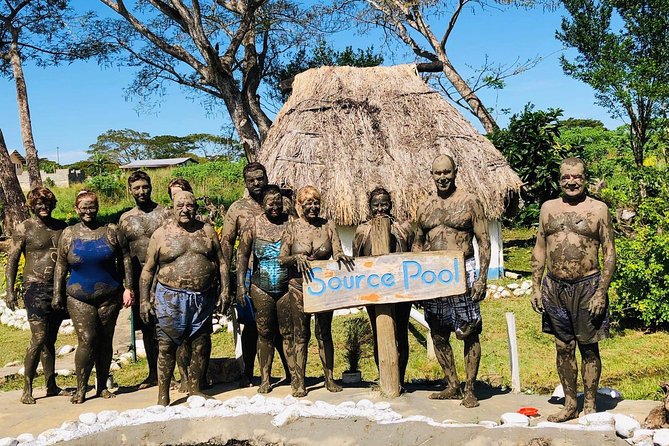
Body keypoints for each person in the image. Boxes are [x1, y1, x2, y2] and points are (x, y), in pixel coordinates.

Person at [531, 157, 616, 422]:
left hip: (587, 286)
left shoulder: (599, 209)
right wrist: (535, 286)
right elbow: (541, 247)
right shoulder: (548, 208)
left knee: (588, 348)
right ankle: (570, 405)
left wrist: (601, 290)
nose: (572, 182)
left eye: (577, 176)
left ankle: (589, 404)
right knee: (562, 347)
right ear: (559, 180)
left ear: (584, 178)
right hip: (555, 287)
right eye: (566, 177)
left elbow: (609, 252)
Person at [413, 154, 490, 408]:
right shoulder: (424, 207)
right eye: (438, 173)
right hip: (434, 274)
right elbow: (418, 242)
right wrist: (416, 279)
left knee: (468, 330)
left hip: (463, 270)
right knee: (437, 332)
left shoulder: (470, 202)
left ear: (456, 172)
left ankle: (470, 388)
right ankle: (452, 384)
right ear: (432, 175)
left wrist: (481, 278)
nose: (443, 177)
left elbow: (483, 240)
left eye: (447, 172)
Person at [140, 191, 227, 406]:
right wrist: (144, 299)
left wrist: (225, 290)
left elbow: (222, 262)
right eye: (180, 205)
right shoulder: (161, 234)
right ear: (172, 207)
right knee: (167, 346)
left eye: (190, 205)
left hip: (202, 298)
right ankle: (163, 396)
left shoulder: (207, 231)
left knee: (201, 342)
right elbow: (148, 270)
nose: (185, 209)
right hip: (170, 298)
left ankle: (196, 389)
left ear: (196, 208)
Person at [53, 191, 134, 404]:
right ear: (76, 209)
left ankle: (101, 387)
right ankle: (81, 388)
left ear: (97, 207)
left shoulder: (112, 231)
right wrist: (57, 294)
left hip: (110, 295)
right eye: (84, 208)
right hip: (79, 296)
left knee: (106, 341)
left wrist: (129, 287)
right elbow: (61, 265)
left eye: (92, 207)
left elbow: (125, 259)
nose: (88, 212)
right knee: (87, 340)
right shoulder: (69, 234)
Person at [279, 186, 355, 397]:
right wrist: (296, 258)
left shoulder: (328, 225)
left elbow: (338, 251)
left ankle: (329, 378)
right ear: (300, 206)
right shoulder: (292, 228)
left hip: (323, 286)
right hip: (299, 286)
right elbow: (281, 258)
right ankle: (299, 381)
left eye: (316, 203)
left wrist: (341, 257)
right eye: (308, 204)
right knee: (300, 335)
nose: (313, 207)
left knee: (324, 333)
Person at [220, 162, 289, 387]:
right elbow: (228, 244)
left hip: (282, 272)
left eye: (260, 178)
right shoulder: (237, 209)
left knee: (283, 325)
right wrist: (228, 283)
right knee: (252, 326)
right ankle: (249, 375)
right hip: (251, 275)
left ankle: (291, 373)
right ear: (245, 182)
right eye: (251, 180)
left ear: (267, 176)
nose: (257, 183)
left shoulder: (282, 203)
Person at [6, 187, 69, 404]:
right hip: (34, 288)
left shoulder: (62, 227)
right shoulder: (24, 228)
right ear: (32, 206)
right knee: (39, 337)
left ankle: (51, 385)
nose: (44, 207)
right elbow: (12, 260)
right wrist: (9, 291)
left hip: (58, 288)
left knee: (50, 339)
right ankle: (27, 388)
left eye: (47, 203)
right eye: (39, 204)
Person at [352, 187, 413, 386]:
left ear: (391, 205)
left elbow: (414, 258)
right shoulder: (362, 231)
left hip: (401, 290)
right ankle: (385, 378)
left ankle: (400, 379)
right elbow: (356, 262)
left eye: (384, 204)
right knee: (379, 332)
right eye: (375, 205)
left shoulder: (403, 229)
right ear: (369, 207)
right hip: (373, 291)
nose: (380, 209)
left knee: (401, 333)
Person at [236, 185, 292, 393]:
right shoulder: (253, 225)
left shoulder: (291, 222)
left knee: (288, 333)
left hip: (287, 286)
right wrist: (241, 285)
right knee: (265, 333)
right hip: (261, 286)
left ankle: (294, 376)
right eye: (270, 203)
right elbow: (241, 256)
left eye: (278, 202)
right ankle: (265, 378)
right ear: (262, 204)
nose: (275, 207)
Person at [118, 170, 170, 390]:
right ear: (130, 190)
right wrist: (127, 286)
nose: (141, 191)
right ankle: (152, 374)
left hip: (165, 277)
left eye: (145, 187)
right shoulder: (125, 219)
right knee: (147, 327)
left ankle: (169, 374)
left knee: (167, 326)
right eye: (136, 188)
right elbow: (123, 256)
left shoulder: (165, 214)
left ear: (151, 187)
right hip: (140, 280)